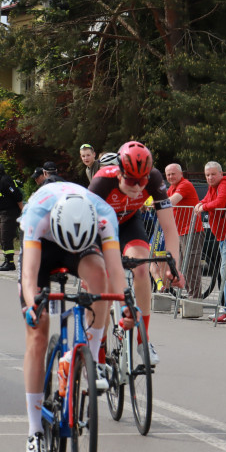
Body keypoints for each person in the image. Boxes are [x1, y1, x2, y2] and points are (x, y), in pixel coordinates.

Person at [18, 182, 126, 452]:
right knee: (37, 332)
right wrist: (32, 305)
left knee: (99, 276)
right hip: (44, 246)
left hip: (81, 244)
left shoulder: (103, 215)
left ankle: (90, 354)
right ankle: (35, 431)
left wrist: (126, 307)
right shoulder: (37, 214)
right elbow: (29, 276)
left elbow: (116, 272)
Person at [88, 141, 184, 363]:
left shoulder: (155, 179)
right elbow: (86, 228)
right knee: (99, 284)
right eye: (131, 180)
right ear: (119, 173)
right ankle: (99, 353)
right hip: (101, 228)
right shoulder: (102, 181)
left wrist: (174, 267)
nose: (138, 187)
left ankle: (143, 339)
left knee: (141, 268)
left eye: (142, 181)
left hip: (130, 223)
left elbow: (170, 229)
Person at [194, 161, 226, 323]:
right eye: (207, 175)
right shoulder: (214, 187)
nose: (209, 177)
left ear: (221, 174)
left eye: (213, 174)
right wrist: (202, 203)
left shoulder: (224, 185)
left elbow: (219, 203)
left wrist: (203, 207)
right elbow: (207, 199)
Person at [165, 163, 203, 298]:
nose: (170, 177)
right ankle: (191, 295)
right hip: (180, 232)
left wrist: (156, 204)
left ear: (181, 174)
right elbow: (164, 200)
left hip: (191, 231)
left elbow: (170, 202)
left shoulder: (184, 185)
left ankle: (195, 297)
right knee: (181, 267)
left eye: (173, 174)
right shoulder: (172, 188)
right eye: (168, 174)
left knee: (191, 266)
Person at [0, 163, 24, 271]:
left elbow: (17, 195)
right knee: (2, 237)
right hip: (4, 213)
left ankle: (10, 263)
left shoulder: (5, 181)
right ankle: (7, 261)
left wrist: (22, 210)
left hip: (10, 213)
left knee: (6, 237)